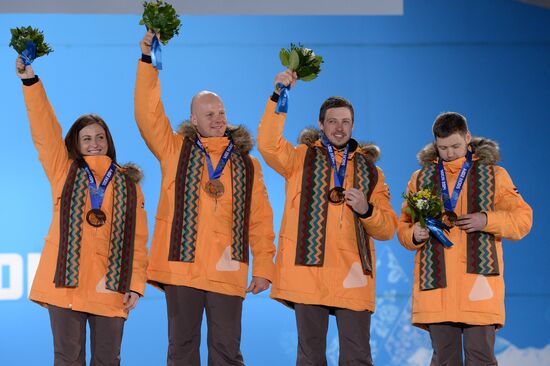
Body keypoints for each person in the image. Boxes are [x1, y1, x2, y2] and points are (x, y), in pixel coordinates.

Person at [134, 31, 276, 365]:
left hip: (228, 269)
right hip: (182, 269)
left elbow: (260, 218)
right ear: (193, 120)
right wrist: (147, 63)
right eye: (209, 114)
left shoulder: (247, 163)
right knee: (182, 351)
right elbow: (148, 114)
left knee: (227, 353)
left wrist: (265, 266)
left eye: (221, 112)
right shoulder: (174, 150)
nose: (218, 118)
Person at [257, 69, 398, 365]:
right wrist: (278, 95)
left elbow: (387, 229)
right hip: (309, 275)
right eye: (332, 121)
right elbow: (268, 144)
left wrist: (366, 210)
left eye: (345, 122)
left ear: (353, 126)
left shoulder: (372, 171)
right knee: (310, 357)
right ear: (321, 124)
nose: (339, 128)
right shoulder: (299, 158)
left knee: (358, 357)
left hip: (353, 276)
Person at [16, 56, 149, 365]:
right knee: (67, 359)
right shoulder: (63, 170)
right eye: (86, 138)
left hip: (110, 285)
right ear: (75, 144)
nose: (94, 143)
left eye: (100, 137)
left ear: (109, 141)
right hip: (66, 285)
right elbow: (44, 129)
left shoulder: (129, 184)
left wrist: (136, 285)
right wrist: (30, 81)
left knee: (108, 360)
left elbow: (139, 241)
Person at [397, 112, 533, 365]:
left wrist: (486, 219)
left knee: (480, 358)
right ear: (435, 144)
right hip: (436, 286)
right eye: (443, 148)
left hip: (478, 286)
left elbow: (523, 220)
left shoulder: (494, 175)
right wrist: (413, 234)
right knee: (444, 359)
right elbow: (403, 227)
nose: (449, 153)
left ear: (468, 137)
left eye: (455, 146)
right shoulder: (421, 178)